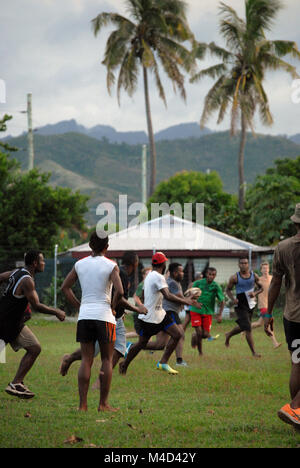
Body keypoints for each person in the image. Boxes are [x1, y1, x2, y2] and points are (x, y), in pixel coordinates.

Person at [60, 251, 147, 388]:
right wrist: (137, 309)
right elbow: (119, 297)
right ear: (134, 263)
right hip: (108, 317)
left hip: (113, 317)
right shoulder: (121, 274)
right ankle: (71, 361)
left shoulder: (117, 271)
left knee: (118, 349)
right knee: (95, 351)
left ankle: (97, 380)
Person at [61, 231, 124, 412]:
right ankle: (103, 404)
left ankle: (82, 405)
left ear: (90, 245)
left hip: (85, 316)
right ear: (107, 247)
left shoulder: (79, 264)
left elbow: (65, 287)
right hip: (104, 316)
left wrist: (80, 306)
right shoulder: (111, 266)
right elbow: (119, 291)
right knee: (106, 359)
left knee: (86, 360)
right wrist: (112, 306)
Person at [0, 250, 65, 399]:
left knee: (34, 348)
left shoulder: (16, 272)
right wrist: (56, 312)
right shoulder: (27, 280)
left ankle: (16, 383)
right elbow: (36, 305)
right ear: (35, 263)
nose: (44, 263)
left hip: (15, 324)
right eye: (42, 261)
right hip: (5, 323)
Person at [119, 252, 197, 376]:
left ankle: (163, 362)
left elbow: (144, 295)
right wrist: (186, 301)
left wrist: (150, 303)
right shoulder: (159, 277)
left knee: (177, 334)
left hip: (159, 314)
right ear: (164, 263)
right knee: (142, 344)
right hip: (151, 318)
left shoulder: (150, 275)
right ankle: (124, 364)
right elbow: (168, 295)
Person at [265, 204, 300, 430]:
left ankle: (297, 421)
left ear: (295, 222)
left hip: (293, 316)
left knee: (297, 363)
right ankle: (294, 408)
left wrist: (268, 313)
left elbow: (275, 282)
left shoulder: (284, 247)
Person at [132, 263, 188, 367]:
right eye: (180, 271)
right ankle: (178, 361)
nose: (182, 273)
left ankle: (132, 347)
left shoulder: (174, 282)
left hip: (163, 312)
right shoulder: (170, 282)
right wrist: (188, 300)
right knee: (179, 334)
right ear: (174, 272)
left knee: (160, 344)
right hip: (167, 312)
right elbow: (171, 296)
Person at [225, 257, 263, 358]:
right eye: (241, 263)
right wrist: (233, 299)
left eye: (245, 263)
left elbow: (261, 288)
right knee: (248, 327)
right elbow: (228, 290)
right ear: (239, 265)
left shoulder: (254, 275)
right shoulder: (234, 277)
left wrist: (255, 293)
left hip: (250, 303)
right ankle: (254, 353)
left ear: (248, 264)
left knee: (245, 326)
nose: (244, 265)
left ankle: (229, 334)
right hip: (240, 304)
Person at [189, 267, 225, 356]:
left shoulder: (216, 286)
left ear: (215, 276)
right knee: (200, 332)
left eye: (213, 275)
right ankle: (200, 353)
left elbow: (222, 300)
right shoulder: (198, 283)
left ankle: (194, 335)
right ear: (206, 274)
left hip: (208, 312)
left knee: (205, 334)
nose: (211, 276)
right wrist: (194, 301)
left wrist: (220, 315)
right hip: (196, 310)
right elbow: (190, 295)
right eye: (209, 274)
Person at [250, 261, 281, 349]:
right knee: (269, 321)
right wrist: (254, 297)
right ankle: (275, 343)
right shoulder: (259, 280)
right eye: (264, 268)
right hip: (263, 304)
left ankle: (245, 328)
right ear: (261, 270)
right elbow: (254, 290)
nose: (265, 270)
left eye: (267, 268)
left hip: (270, 304)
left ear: (269, 269)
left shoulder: (272, 278)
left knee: (259, 323)